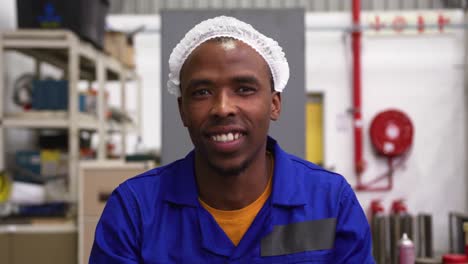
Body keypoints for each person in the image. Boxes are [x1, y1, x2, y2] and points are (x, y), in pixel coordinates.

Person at [90, 15, 375, 263]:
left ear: (274, 104)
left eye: (244, 89)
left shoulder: (329, 203)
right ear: (182, 110)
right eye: (202, 92)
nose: (223, 107)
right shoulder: (136, 212)